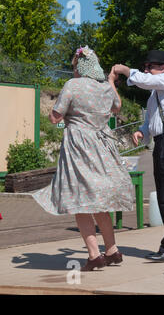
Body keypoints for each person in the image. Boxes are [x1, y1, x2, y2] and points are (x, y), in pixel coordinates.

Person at [33, 45, 134, 271]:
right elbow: (117, 107)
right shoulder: (105, 88)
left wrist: (55, 113)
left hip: (78, 146)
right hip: (101, 146)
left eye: (74, 66)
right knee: (100, 201)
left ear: (80, 66)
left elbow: (54, 117)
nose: (74, 71)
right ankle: (112, 250)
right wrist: (110, 81)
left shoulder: (72, 85)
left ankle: (94, 255)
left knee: (79, 200)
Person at [113, 50, 164, 263]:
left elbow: (143, 80)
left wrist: (124, 70)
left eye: (150, 66)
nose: (147, 70)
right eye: (145, 66)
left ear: (162, 68)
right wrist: (143, 131)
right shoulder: (154, 95)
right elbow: (151, 121)